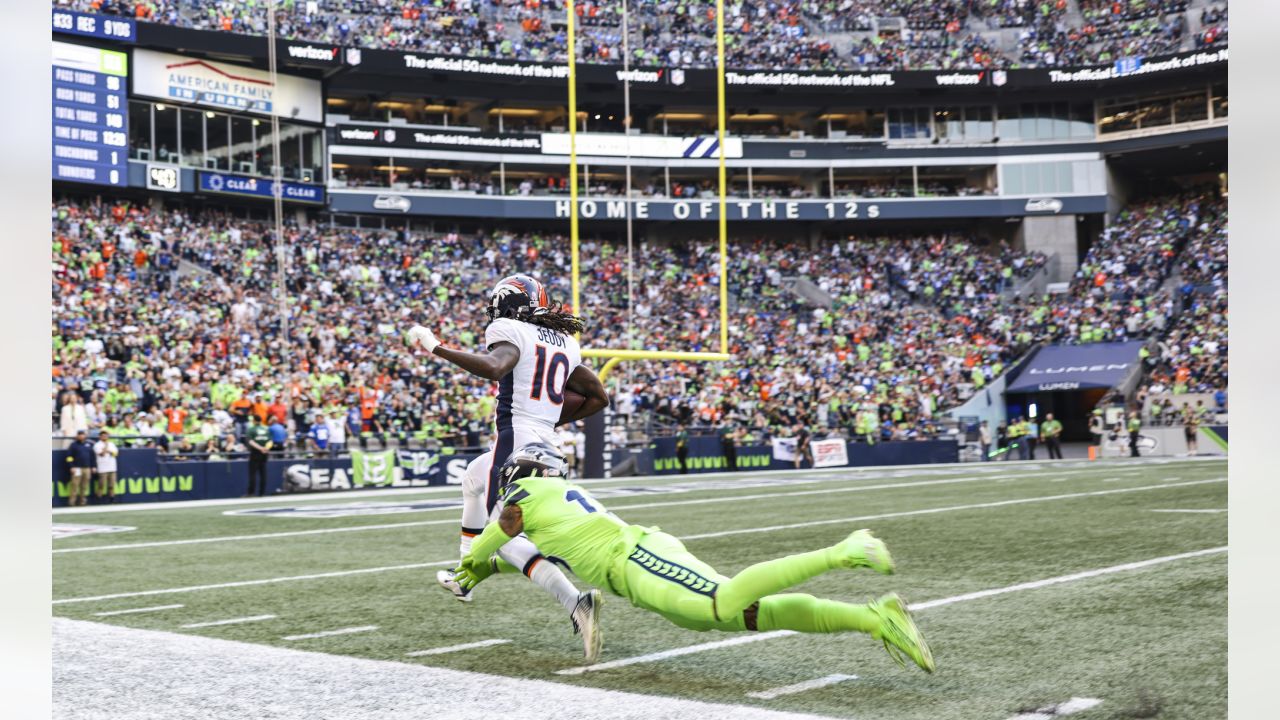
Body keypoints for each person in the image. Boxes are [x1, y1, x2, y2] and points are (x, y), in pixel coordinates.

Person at [455, 444, 934, 673]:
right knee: (749, 614)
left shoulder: (525, 495)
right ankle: (876, 619)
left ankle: (844, 552)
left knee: (723, 603)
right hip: (637, 561)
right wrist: (485, 569)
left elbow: (489, 541)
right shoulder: (551, 495)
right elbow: (517, 556)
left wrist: (468, 566)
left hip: (636, 559)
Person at [406, 273, 611, 661]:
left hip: (516, 440)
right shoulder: (565, 341)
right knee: (472, 478)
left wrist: (437, 347)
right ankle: (465, 572)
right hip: (547, 444)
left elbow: (496, 366)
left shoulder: (510, 328)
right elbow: (598, 396)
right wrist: (546, 418)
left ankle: (574, 601)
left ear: (509, 303)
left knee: (506, 531)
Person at [245, 414, 273, 496]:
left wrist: (260, 448)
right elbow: (270, 441)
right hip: (265, 453)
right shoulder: (266, 428)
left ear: (254, 420)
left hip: (255, 452)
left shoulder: (251, 429)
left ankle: (251, 492)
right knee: (263, 473)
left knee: (253, 473)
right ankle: (262, 492)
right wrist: (266, 448)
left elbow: (250, 441)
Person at [65, 429, 95, 506]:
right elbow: (69, 457)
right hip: (77, 468)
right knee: (75, 485)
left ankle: (82, 502)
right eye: (80, 434)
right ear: (77, 436)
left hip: (87, 468)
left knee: (84, 486)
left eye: (83, 434)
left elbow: (92, 457)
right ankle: (72, 502)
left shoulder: (88, 445)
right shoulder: (73, 445)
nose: (81, 436)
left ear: (85, 436)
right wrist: (71, 466)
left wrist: (93, 466)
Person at [93, 429, 120, 503]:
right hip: (102, 467)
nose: (105, 437)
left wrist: (109, 450)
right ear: (100, 437)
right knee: (101, 484)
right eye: (103, 436)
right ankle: (98, 498)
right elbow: (101, 454)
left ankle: (112, 498)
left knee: (111, 484)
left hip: (112, 467)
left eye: (106, 435)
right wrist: (106, 448)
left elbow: (116, 454)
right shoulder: (97, 445)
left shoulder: (112, 444)